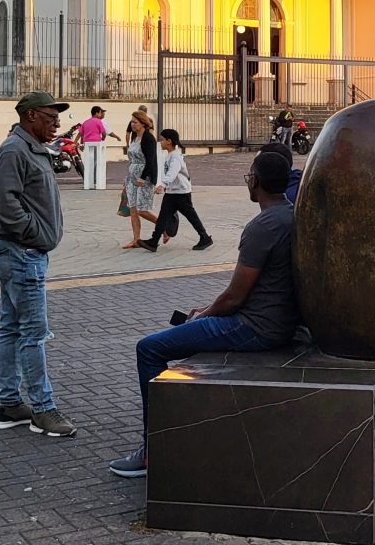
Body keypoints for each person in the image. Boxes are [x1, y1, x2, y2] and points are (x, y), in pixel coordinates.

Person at [108, 151, 301, 478]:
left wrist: (205, 315)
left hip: (254, 326)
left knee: (150, 348)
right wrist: (207, 311)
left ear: (255, 182)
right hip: (279, 321)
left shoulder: (263, 226)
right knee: (193, 322)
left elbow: (235, 298)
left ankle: (152, 449)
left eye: (249, 177)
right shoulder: (292, 216)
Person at [0, 91, 78, 437]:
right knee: (34, 334)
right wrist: (36, 233)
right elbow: (4, 205)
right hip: (21, 253)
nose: (57, 124)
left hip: (21, 251)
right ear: (30, 117)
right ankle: (43, 409)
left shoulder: (32, 148)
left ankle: (9, 404)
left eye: (58, 118)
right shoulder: (14, 150)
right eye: (50, 117)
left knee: (11, 327)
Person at [138, 129, 213, 251]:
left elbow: (172, 172)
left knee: (191, 216)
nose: (160, 142)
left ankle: (204, 237)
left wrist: (163, 184)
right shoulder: (170, 155)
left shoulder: (176, 157)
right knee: (163, 217)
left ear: (169, 141)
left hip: (181, 192)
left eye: (162, 140)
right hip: (172, 192)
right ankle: (153, 241)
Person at [122, 110, 160, 249]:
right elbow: (131, 157)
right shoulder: (134, 136)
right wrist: (128, 177)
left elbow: (150, 161)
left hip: (144, 176)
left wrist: (143, 178)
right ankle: (136, 239)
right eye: (131, 122)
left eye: (135, 122)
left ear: (143, 123)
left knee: (141, 210)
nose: (132, 124)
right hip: (132, 176)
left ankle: (163, 226)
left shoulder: (148, 138)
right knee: (132, 209)